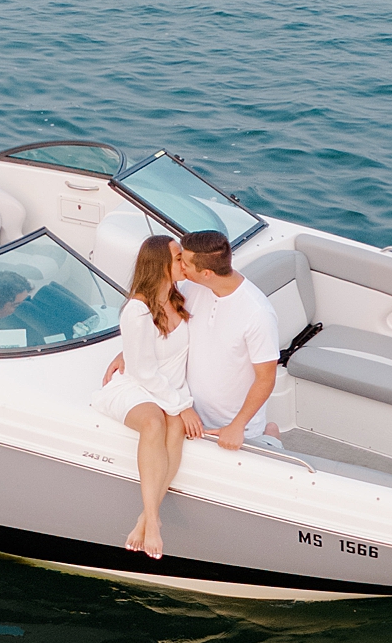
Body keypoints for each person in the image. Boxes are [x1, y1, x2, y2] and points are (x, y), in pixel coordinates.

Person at [92, 237, 203, 560]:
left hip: (165, 385)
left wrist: (125, 350)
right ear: (159, 264)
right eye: (178, 257)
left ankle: (144, 516)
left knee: (175, 429)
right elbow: (142, 373)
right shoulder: (137, 310)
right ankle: (153, 522)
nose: (184, 262)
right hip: (138, 386)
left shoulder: (180, 296)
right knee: (155, 422)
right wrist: (183, 406)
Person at [173, 228, 280, 451]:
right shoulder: (192, 287)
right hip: (190, 414)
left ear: (207, 273)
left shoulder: (258, 314)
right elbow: (165, 322)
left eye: (185, 262)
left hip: (234, 427)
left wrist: (237, 425)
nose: (180, 265)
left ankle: (271, 435)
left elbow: (266, 378)